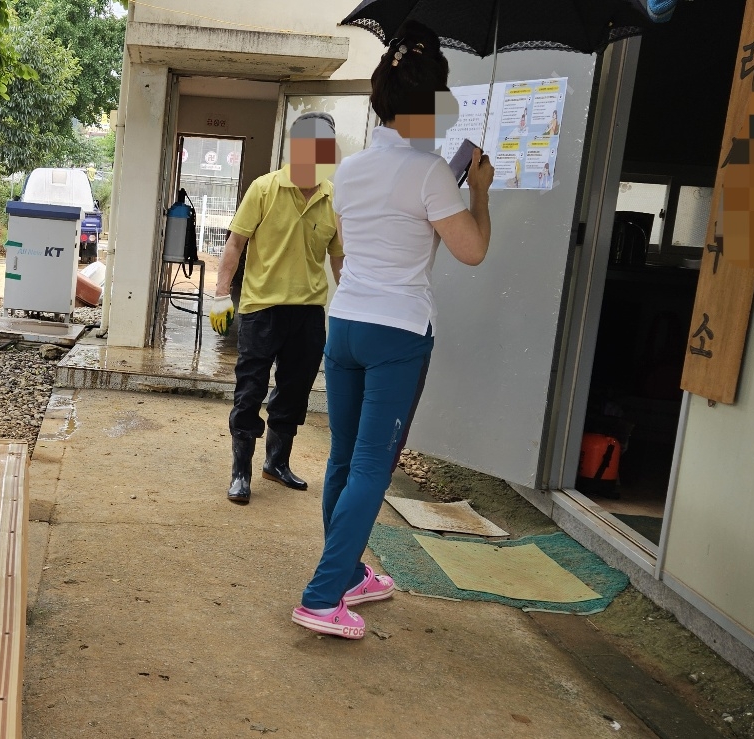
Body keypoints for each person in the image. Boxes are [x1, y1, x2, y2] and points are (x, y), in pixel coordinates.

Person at [290, 21, 495, 639]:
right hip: (399, 332)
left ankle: (349, 574)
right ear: (430, 105)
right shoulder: (433, 172)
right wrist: (479, 192)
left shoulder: (348, 171)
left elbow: (353, 249)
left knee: (344, 459)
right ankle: (323, 596)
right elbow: (473, 251)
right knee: (374, 465)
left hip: (346, 323)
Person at [212, 112, 344, 505]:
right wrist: (221, 293)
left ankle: (276, 462)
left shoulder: (333, 198)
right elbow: (235, 244)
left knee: (294, 391)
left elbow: (339, 259)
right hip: (261, 309)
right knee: (250, 390)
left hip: (307, 314)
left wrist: (353, 301)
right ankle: (241, 471)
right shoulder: (264, 189)